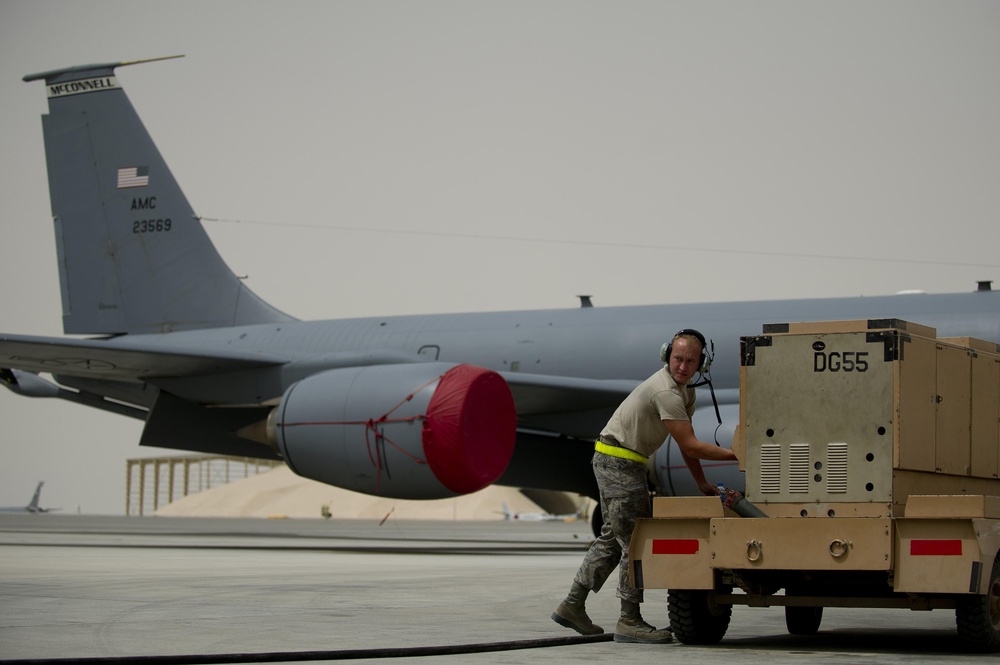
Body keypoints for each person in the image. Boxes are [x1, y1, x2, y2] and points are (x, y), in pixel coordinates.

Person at [551, 329, 739, 644]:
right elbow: (691, 445)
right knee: (633, 543)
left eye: (690, 361)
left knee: (613, 540)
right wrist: (735, 454)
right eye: (678, 359)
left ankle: (572, 605)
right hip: (619, 463)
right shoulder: (665, 391)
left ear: (701, 364)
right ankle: (629, 620)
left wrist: (701, 482)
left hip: (624, 462)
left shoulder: (684, 392)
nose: (682, 366)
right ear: (667, 356)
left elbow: (684, 444)